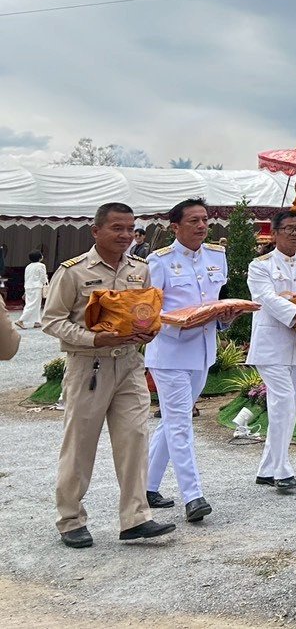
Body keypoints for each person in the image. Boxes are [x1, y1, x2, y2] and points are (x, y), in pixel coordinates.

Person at [41, 202, 176, 549]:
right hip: (90, 366)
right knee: (80, 444)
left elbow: (143, 312)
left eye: (130, 228)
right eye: (117, 228)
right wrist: (92, 338)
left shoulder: (140, 269)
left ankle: (135, 519)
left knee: (134, 439)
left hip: (129, 364)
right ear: (96, 231)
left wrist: (150, 331)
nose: (125, 235)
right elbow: (52, 320)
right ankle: (70, 519)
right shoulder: (72, 272)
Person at [145, 198, 247, 523]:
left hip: (203, 351)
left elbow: (217, 307)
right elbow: (148, 311)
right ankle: (193, 496)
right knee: (180, 423)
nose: (202, 226)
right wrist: (178, 319)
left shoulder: (217, 256)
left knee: (172, 421)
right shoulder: (158, 262)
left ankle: (144, 487)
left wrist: (227, 317)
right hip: (170, 353)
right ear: (175, 227)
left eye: (205, 220)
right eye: (193, 221)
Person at [246, 211, 296, 494]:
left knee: (289, 405)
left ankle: (267, 468)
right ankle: (282, 469)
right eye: (289, 229)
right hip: (271, 344)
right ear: (276, 233)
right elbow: (266, 299)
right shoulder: (260, 266)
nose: (295, 234)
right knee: (282, 402)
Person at [20, 250, 49, 328]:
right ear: (40, 257)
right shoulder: (41, 265)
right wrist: (46, 283)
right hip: (36, 287)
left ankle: (37, 321)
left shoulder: (28, 266)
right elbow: (43, 277)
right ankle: (21, 320)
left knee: (32, 304)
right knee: (33, 304)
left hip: (28, 287)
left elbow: (26, 278)